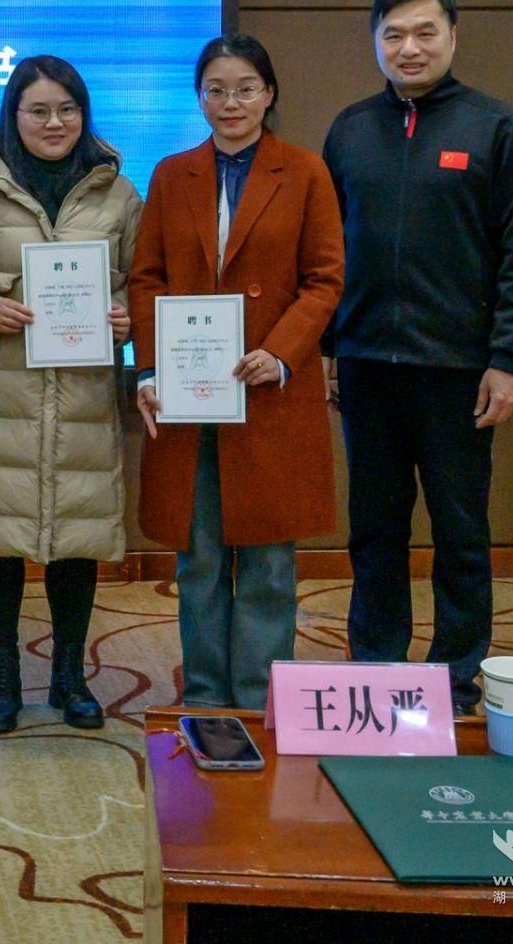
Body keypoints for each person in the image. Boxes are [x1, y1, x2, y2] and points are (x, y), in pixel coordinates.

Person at [324, 0, 513, 713]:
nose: (409, 48)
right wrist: (327, 348)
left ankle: (454, 671)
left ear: (453, 36)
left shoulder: (495, 127)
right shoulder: (351, 129)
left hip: (459, 371)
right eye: (393, 35)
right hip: (365, 365)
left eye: (424, 32)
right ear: (375, 43)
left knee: (459, 530)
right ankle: (378, 666)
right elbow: (326, 252)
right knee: (374, 529)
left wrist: (507, 360)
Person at [129, 35, 344, 710]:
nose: (231, 103)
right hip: (190, 396)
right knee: (198, 560)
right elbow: (146, 278)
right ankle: (203, 695)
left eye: (245, 88)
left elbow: (325, 279)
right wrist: (150, 368)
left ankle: (257, 700)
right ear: (199, 97)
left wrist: (279, 352)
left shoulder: (305, 171)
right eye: (216, 90)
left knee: (268, 565)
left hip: (271, 391)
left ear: (269, 93)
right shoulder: (173, 174)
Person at [0, 56, 143, 733]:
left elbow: (141, 278)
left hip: (82, 395)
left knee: (77, 539)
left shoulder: (118, 194)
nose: (54, 122)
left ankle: (69, 676)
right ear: (13, 116)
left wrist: (127, 316)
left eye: (67, 109)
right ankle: (2, 677)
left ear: (83, 113)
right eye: (38, 110)